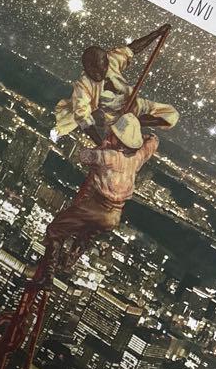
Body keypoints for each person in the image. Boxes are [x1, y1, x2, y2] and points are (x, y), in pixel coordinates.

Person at [40, 113, 158, 278]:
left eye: (113, 134)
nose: (109, 135)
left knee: (56, 229)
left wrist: (102, 147)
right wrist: (139, 137)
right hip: (114, 217)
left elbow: (84, 156)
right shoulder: (137, 158)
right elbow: (153, 141)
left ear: (118, 139)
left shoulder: (110, 156)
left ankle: (48, 275)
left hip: (96, 207)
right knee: (85, 235)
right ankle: (67, 264)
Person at [54, 26, 178, 146]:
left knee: (171, 115)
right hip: (116, 119)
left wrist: (157, 33)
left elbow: (133, 48)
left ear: (106, 63)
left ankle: (136, 121)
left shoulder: (112, 60)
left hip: (134, 104)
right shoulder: (83, 86)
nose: (97, 74)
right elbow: (83, 119)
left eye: (101, 69)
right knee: (130, 142)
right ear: (87, 68)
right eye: (93, 71)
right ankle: (126, 125)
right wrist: (101, 143)